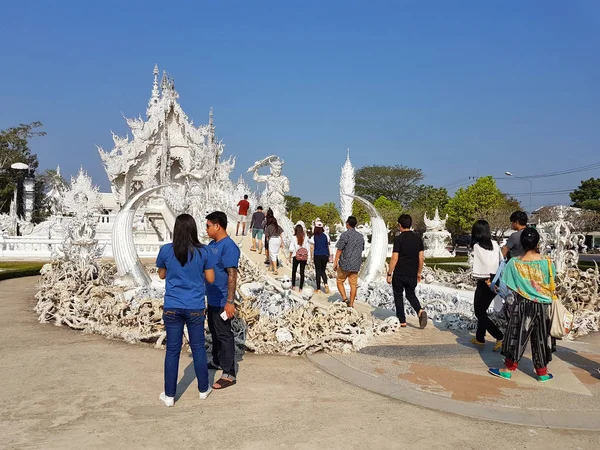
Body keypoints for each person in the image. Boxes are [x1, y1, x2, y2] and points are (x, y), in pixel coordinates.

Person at [156, 214, 215, 407]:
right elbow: (211, 279)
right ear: (193, 230)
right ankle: (203, 389)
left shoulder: (166, 250)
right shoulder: (203, 252)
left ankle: (170, 395)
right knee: (198, 348)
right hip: (195, 306)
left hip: (173, 305)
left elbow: (162, 275)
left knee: (172, 350)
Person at [488, 227, 556, 383]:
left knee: (516, 336)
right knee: (540, 338)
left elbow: (509, 286)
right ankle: (542, 372)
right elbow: (552, 280)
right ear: (537, 242)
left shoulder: (514, 263)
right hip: (543, 306)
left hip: (523, 304)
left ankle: (508, 369)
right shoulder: (547, 262)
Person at [205, 211, 241, 390]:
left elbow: (232, 274)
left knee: (225, 334)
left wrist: (230, 301)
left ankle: (229, 373)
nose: (206, 229)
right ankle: (217, 361)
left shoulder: (229, 246)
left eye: (208, 226)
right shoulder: (211, 245)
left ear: (217, 226)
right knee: (214, 331)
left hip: (222, 299)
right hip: (211, 298)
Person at [386, 214, 428, 328]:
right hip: (412, 273)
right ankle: (419, 311)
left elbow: (395, 258)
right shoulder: (418, 238)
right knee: (410, 294)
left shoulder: (399, 239)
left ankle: (402, 320)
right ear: (411, 224)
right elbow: (421, 258)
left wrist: (389, 273)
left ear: (400, 225)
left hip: (399, 273)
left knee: (398, 295)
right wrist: (419, 272)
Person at [470, 219, 504, 349]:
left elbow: (479, 265)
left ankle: (499, 336)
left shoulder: (476, 246)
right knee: (482, 310)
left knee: (479, 312)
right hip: (495, 280)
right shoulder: (495, 244)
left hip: (484, 281)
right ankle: (480, 337)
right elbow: (500, 261)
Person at [333, 216, 364, 307]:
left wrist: (335, 262)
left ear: (347, 224)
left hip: (345, 263)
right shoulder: (360, 236)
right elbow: (361, 249)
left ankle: (345, 298)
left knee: (339, 281)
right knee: (353, 284)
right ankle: (351, 304)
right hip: (355, 264)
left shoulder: (345, 235)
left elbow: (339, 249)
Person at [311, 221, 330, 293]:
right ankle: (326, 284)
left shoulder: (314, 237)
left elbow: (312, 247)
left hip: (317, 255)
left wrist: (311, 256)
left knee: (318, 272)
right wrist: (328, 255)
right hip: (325, 255)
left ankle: (318, 289)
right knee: (323, 271)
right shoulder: (326, 236)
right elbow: (327, 246)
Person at [289, 223, 310, 291]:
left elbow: (291, 248)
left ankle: (293, 286)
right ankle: (300, 288)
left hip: (296, 256)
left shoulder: (294, 237)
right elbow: (307, 248)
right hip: (303, 257)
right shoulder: (305, 237)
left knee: (294, 271)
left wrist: (289, 257)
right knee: (302, 272)